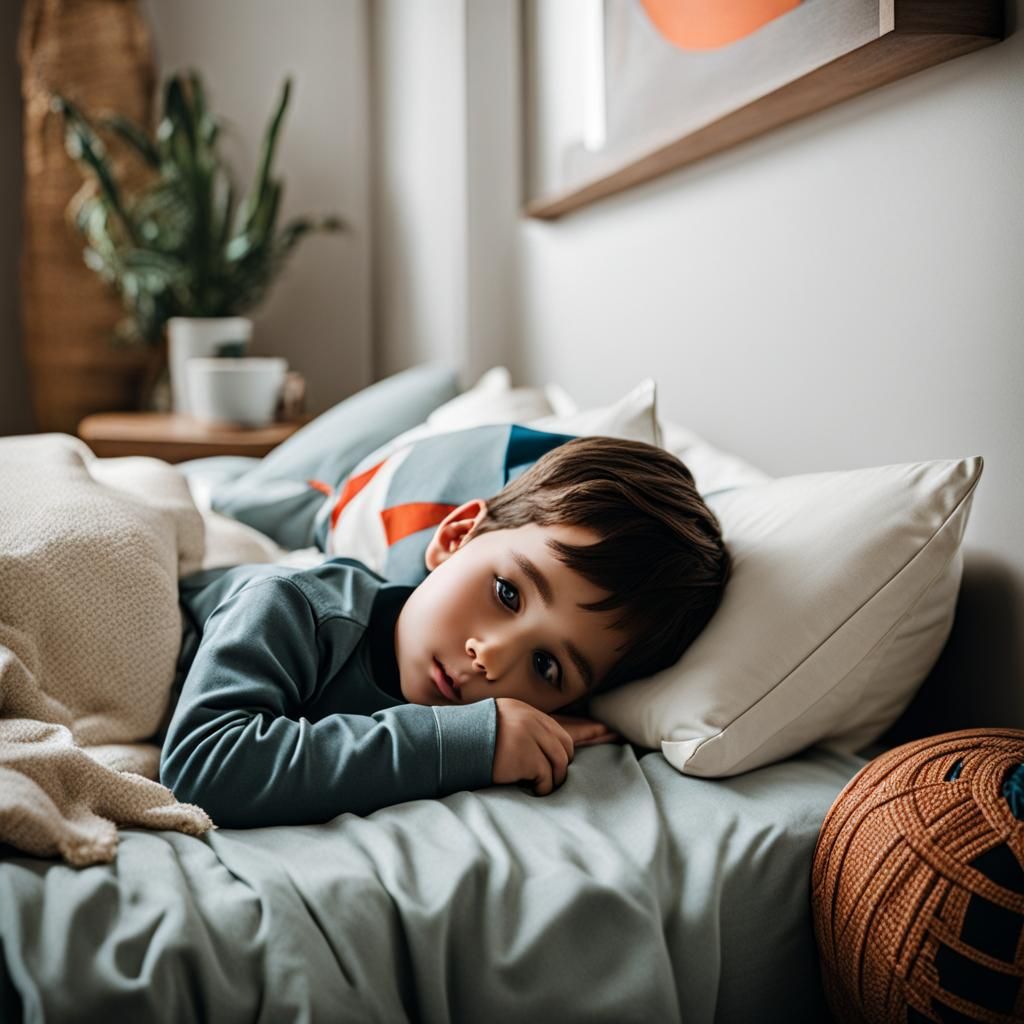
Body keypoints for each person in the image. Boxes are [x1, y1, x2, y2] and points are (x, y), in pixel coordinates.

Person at [159, 436, 731, 828]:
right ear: (455, 535)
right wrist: (466, 741)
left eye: (547, 667)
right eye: (507, 593)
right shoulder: (290, 607)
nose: (492, 658)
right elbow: (202, 764)